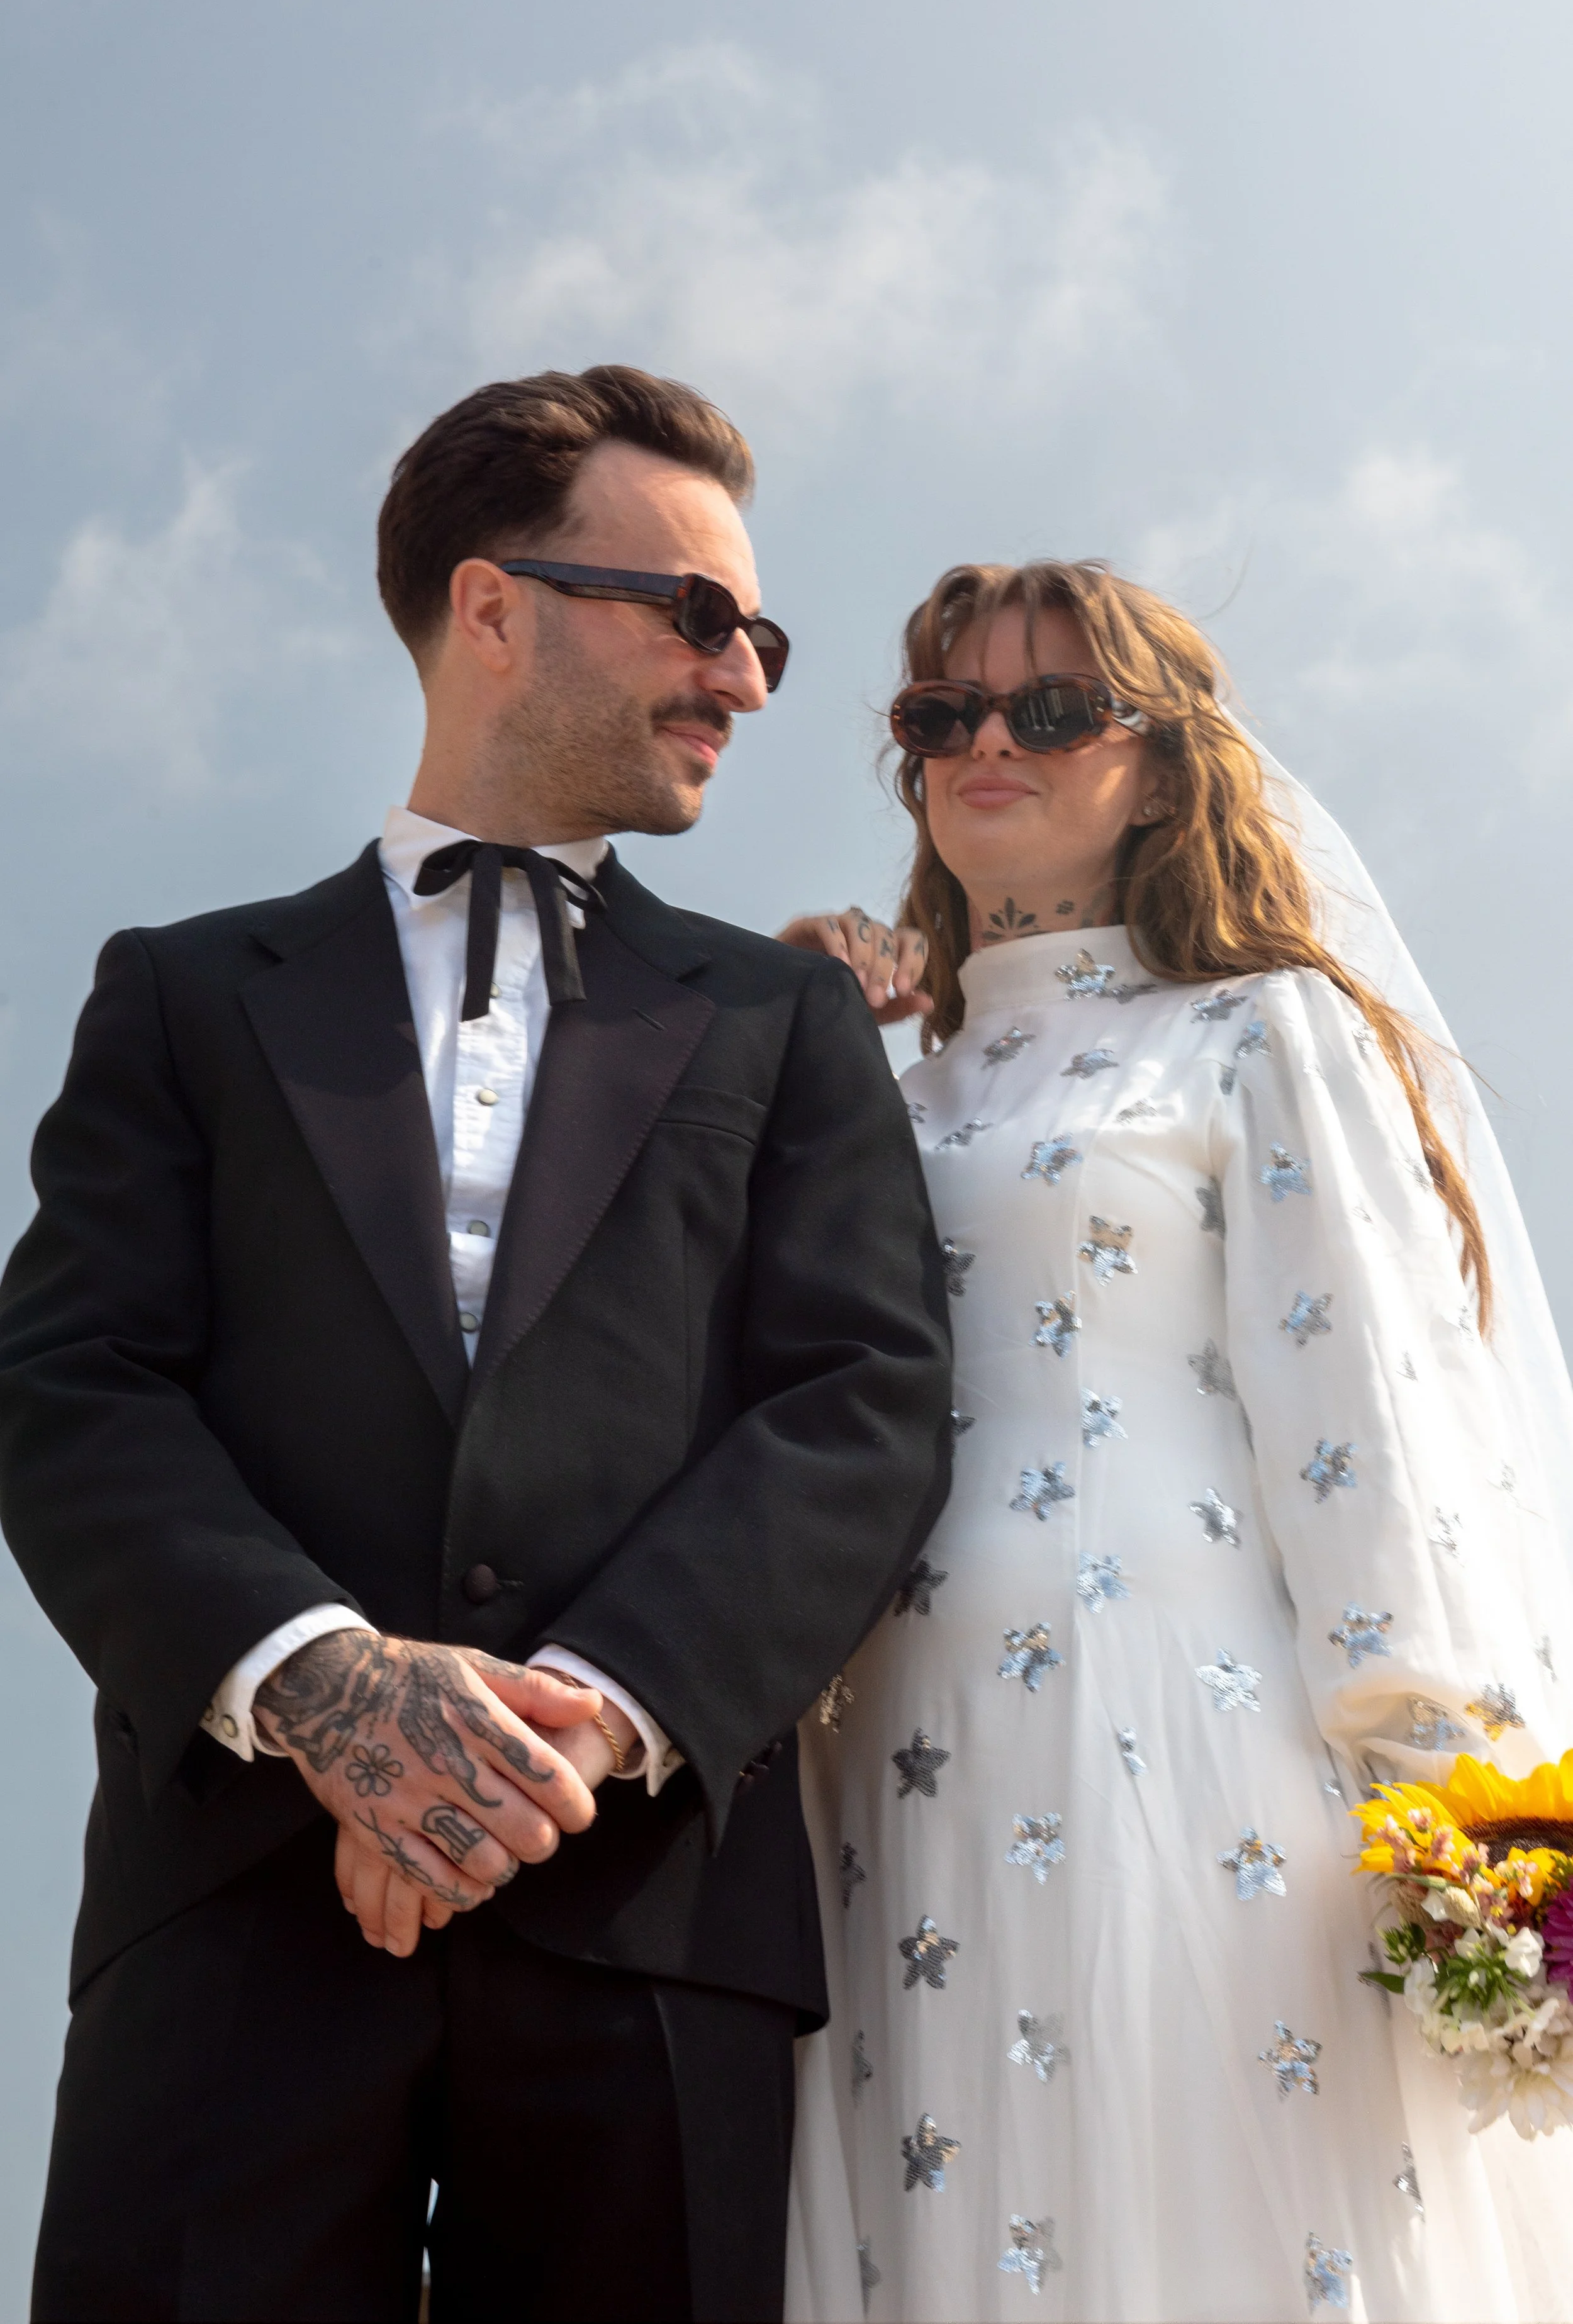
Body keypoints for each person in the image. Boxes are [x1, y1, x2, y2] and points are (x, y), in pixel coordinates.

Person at [0, 364, 954, 2324]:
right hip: (239, 1909)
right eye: (697, 616)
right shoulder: (181, 995)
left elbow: (857, 1402)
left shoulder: (785, 1029)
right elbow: (67, 1380)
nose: (747, 680)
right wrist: (330, 1691)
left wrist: (574, 1728)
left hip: (654, 1919)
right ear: (491, 605)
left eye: (758, 632)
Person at [779, 560, 1573, 2323]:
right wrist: (775, 1046)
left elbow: (1366, 1408)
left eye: (1051, 708)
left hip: (1183, 1726)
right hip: (884, 1763)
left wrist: (1451, 1792)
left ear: (1157, 762)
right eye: (942, 714)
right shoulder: (857, 1090)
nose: (990, 742)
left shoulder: (1255, 1028)